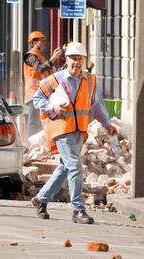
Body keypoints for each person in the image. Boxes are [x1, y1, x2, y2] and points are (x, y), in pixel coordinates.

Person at [31, 42, 117, 224]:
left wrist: (107, 124)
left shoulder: (90, 80)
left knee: (65, 168)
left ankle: (40, 199)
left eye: (79, 59)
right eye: (73, 59)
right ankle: (78, 209)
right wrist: (52, 106)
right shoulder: (55, 79)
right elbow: (37, 98)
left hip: (79, 131)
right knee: (75, 167)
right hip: (61, 130)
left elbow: (97, 106)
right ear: (66, 59)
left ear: (84, 60)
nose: (76, 63)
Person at [23, 31, 63, 137]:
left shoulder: (41, 57)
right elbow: (40, 69)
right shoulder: (30, 56)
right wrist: (53, 58)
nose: (43, 43)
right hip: (33, 93)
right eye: (41, 41)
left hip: (42, 93)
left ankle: (39, 145)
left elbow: (48, 74)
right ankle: (31, 145)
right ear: (34, 42)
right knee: (34, 122)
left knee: (41, 121)